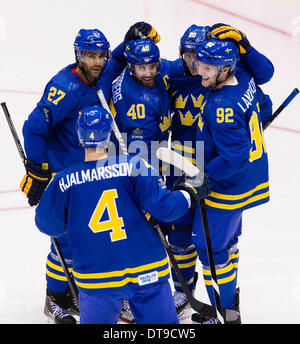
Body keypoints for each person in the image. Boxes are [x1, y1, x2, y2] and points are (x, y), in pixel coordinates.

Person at [19, 23, 160, 324]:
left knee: (107, 234)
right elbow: (33, 128)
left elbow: (121, 58)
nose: (97, 62)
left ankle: (108, 292)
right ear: (77, 55)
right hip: (70, 174)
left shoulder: (106, 70)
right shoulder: (64, 87)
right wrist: (38, 170)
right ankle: (56, 297)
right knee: (69, 239)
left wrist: (131, 37)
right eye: (90, 55)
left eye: (101, 55)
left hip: (101, 168)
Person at [34, 105, 210, 324]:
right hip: (147, 269)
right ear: (108, 135)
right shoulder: (135, 165)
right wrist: (189, 192)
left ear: (79, 136)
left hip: (97, 275)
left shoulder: (63, 180)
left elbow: (48, 225)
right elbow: (166, 208)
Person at [190, 37, 271, 324]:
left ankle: (224, 314)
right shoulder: (245, 77)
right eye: (200, 64)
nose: (201, 71)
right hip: (250, 179)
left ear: (225, 69)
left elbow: (233, 159)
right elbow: (266, 103)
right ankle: (230, 305)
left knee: (209, 249)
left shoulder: (221, 106)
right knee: (228, 244)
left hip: (227, 187)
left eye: (208, 68)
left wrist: (203, 177)